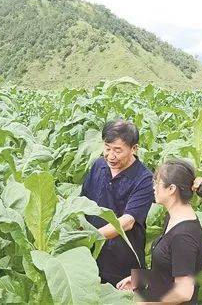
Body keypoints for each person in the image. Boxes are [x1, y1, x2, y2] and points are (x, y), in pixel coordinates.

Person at [116, 159, 202, 304]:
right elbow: (170, 268)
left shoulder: (184, 236)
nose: (154, 187)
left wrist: (145, 301)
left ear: (171, 189)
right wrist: (140, 279)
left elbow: (183, 292)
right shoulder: (173, 218)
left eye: (157, 183)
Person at [81, 119, 154, 286]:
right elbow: (83, 203)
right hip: (92, 258)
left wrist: (91, 237)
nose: (110, 156)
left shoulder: (143, 179)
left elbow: (128, 221)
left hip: (122, 263)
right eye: (107, 148)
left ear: (133, 149)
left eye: (118, 151)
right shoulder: (98, 165)